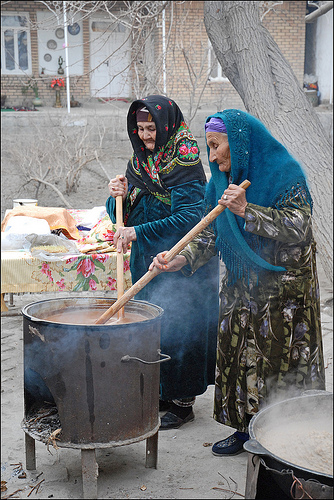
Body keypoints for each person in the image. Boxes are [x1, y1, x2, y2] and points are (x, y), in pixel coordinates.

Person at [150, 109, 326, 454]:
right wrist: (181, 258)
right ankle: (245, 430)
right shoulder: (218, 182)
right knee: (240, 356)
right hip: (240, 288)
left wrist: (248, 211)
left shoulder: (285, 174)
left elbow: (301, 228)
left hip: (284, 293)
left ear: (241, 145)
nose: (212, 156)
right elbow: (212, 234)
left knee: (280, 360)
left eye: (217, 146)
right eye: (209, 148)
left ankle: (286, 435)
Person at [106, 95, 219, 430]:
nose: (145, 136)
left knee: (183, 326)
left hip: (182, 263)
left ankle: (183, 402)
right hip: (149, 262)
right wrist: (117, 195)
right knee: (156, 326)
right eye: (140, 129)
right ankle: (163, 391)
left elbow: (190, 218)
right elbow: (120, 218)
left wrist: (137, 232)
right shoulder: (141, 161)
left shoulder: (183, 157)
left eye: (151, 128)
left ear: (166, 124)